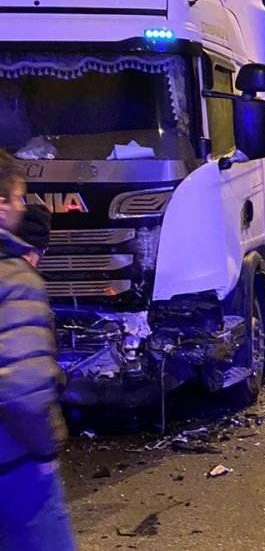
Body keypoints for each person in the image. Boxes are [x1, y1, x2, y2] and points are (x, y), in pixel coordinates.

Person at [0, 151, 76, 550]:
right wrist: (45, 450)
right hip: (13, 464)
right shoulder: (14, 277)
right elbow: (21, 387)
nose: (19, 206)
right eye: (17, 197)